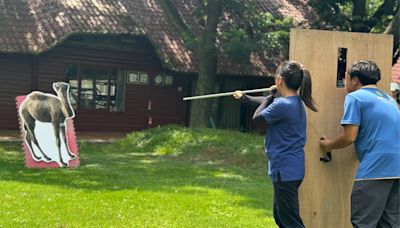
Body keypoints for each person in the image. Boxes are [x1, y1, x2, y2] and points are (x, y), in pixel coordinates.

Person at [233, 60, 317, 228]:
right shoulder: (293, 102)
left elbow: (257, 119)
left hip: (284, 169)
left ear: (279, 79)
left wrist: (271, 95)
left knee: (290, 221)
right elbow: (265, 104)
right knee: (280, 217)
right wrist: (245, 98)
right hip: (292, 168)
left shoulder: (282, 104)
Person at [320, 60, 400, 227]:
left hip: (376, 169)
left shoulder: (355, 98)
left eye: (346, 77)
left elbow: (349, 137)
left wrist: (329, 145)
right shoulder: (389, 100)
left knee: (363, 222)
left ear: (355, 80)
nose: (344, 80)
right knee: (390, 224)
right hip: (397, 170)